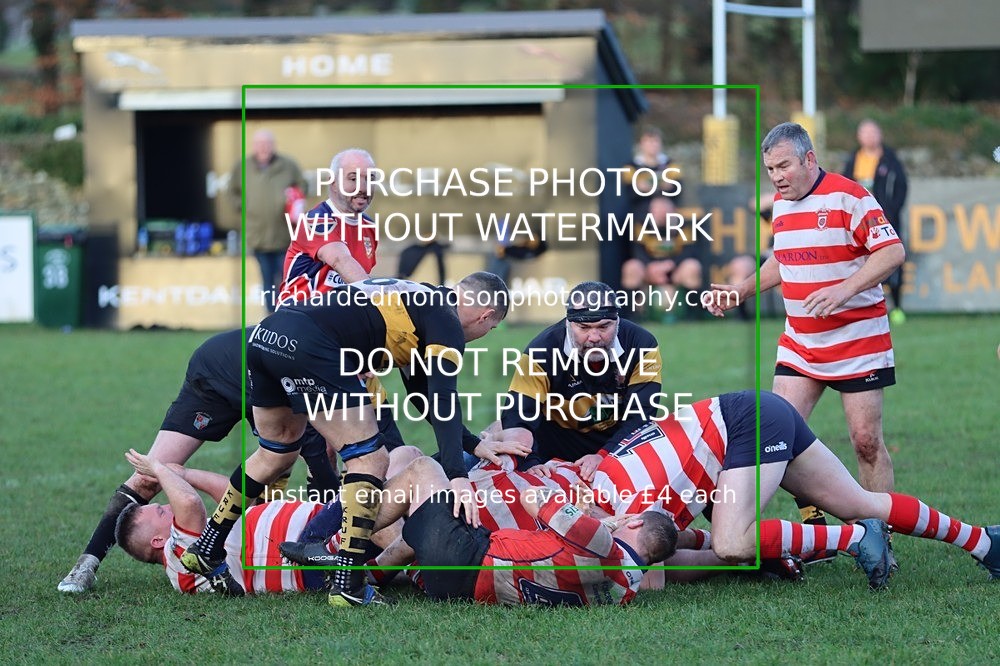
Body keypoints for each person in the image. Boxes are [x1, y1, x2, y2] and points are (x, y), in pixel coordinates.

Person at [179, 273, 510, 606]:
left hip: (268, 333)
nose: (486, 334)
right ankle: (348, 583)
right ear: (484, 316)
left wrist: (472, 444)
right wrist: (457, 475)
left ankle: (208, 546)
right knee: (371, 458)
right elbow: (441, 399)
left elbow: (422, 396)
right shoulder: (447, 321)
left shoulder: (423, 301)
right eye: (491, 328)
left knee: (275, 453)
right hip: (310, 343)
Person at [579, 390, 1000, 590]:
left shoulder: (630, 505)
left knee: (731, 542)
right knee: (860, 502)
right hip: (751, 415)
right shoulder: (598, 486)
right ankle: (983, 542)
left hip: (745, 423)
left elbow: (651, 578)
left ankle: (854, 537)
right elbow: (671, 548)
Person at [56, 328, 353, 594]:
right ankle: (86, 564)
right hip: (228, 369)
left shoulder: (332, 332)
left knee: (310, 454)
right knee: (149, 474)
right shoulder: (330, 336)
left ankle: (321, 544)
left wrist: (181, 472)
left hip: (243, 363)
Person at [706, 122, 905, 498]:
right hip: (801, 343)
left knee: (866, 442)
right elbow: (783, 261)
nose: (777, 178)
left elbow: (892, 251)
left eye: (784, 167)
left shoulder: (850, 197)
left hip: (858, 340)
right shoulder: (780, 204)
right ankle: (811, 515)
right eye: (770, 170)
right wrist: (741, 291)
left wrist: (843, 290)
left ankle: (881, 535)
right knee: (774, 437)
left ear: (809, 159)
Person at [323, 455, 676, 606]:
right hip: (462, 591)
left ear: (635, 522)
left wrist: (595, 518)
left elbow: (532, 496)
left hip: (468, 557)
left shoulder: (598, 538)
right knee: (428, 531)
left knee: (422, 468)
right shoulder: (625, 593)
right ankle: (370, 576)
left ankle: (339, 545)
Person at [115, 446, 422, 594]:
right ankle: (422, 563)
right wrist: (158, 467)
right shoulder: (179, 557)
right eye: (159, 511)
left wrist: (182, 473)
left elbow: (229, 493)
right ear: (157, 540)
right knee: (390, 477)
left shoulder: (200, 543)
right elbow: (189, 502)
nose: (166, 505)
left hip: (317, 531)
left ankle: (396, 562)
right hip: (310, 550)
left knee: (404, 458)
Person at [486, 281, 662, 481]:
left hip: (617, 445)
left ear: (618, 321)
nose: (594, 337)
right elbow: (518, 414)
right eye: (584, 327)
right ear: (569, 323)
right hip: (553, 447)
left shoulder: (642, 345)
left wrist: (604, 456)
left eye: (604, 326)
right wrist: (531, 463)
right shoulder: (540, 353)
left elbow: (641, 416)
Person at [278, 148, 379, 306]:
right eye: (353, 179)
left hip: (337, 321)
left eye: (370, 179)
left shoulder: (369, 226)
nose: (364, 188)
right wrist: (382, 299)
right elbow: (341, 261)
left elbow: (360, 281)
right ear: (334, 183)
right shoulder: (317, 220)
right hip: (297, 320)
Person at [230, 129, 306, 313]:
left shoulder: (288, 165)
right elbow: (232, 192)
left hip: (285, 236)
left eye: (267, 144)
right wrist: (245, 206)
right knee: (267, 281)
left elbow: (302, 186)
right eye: (260, 144)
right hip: (258, 236)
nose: (264, 148)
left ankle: (289, 314)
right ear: (254, 147)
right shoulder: (243, 167)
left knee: (287, 279)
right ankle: (271, 317)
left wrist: (294, 202)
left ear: (273, 146)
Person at [841, 119, 909, 324]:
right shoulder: (854, 158)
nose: (869, 137)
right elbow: (844, 185)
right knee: (859, 260)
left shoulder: (890, 159)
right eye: (865, 133)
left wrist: (892, 211)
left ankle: (896, 307)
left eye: (873, 132)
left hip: (884, 219)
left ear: (879, 135)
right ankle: (860, 306)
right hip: (859, 221)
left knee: (891, 258)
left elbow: (902, 187)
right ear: (859, 137)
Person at [620, 196, 703, 321]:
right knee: (631, 267)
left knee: (692, 266)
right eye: (658, 210)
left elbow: (689, 251)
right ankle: (631, 316)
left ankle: (692, 316)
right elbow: (636, 251)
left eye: (665, 210)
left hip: (675, 270)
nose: (662, 214)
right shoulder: (641, 225)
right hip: (650, 270)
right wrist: (652, 268)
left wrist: (671, 265)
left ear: (673, 210)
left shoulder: (684, 226)